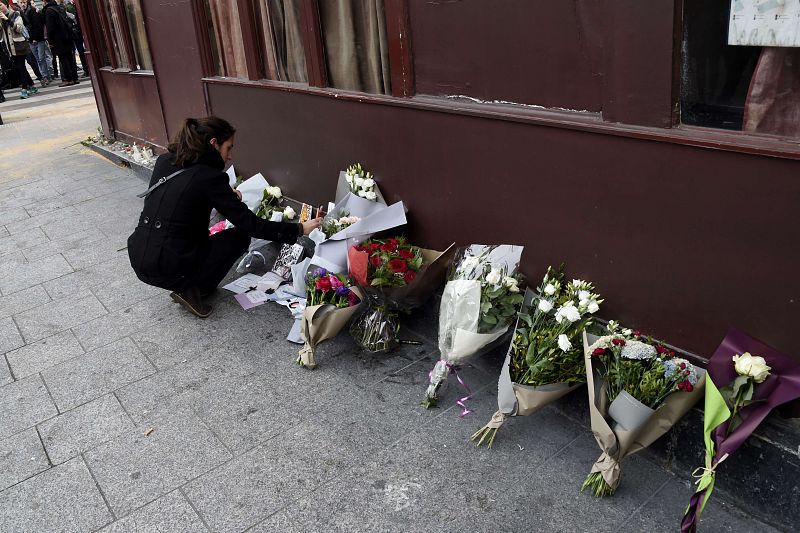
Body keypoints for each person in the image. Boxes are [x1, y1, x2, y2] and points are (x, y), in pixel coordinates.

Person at [128, 116, 322, 318]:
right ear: (213, 143)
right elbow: (251, 225)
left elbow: (178, 202)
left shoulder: (165, 161)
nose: (229, 156)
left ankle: (188, 281)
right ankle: (193, 288)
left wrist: (223, 195)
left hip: (140, 256)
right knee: (238, 237)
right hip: (169, 264)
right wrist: (299, 229)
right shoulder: (209, 177)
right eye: (228, 148)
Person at [0, 1, 38, 99]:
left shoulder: (15, 14)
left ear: (6, 5)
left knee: (21, 67)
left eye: (0, 5)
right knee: (20, 67)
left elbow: (19, 29)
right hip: (10, 48)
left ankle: (24, 89)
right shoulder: (1, 19)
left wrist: (7, 20)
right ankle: (32, 85)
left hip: (20, 45)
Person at [43, 0, 75, 86]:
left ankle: (68, 79)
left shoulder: (49, 10)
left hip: (58, 38)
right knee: (70, 57)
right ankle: (74, 78)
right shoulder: (60, 7)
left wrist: (50, 41)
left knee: (63, 58)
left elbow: (50, 28)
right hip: (67, 36)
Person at [23, 0, 50, 86]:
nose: (22, 4)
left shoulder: (32, 11)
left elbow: (37, 25)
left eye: (23, 2)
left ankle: (45, 76)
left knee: (41, 58)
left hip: (38, 39)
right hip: (31, 39)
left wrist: (34, 37)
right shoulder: (23, 12)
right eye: (21, 2)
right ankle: (44, 75)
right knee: (38, 58)